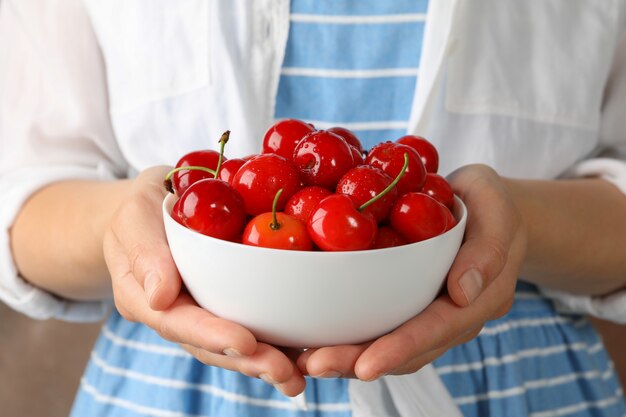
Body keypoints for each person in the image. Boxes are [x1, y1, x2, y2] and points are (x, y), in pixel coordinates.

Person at [1, 1, 626, 416]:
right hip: (171, 391)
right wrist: (131, 233)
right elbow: (22, 197)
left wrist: (516, 223)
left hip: (521, 390)